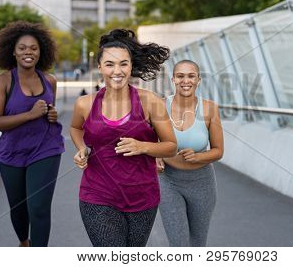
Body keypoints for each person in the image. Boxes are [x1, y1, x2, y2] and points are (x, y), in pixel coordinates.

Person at [70, 29, 177, 247]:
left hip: (142, 197)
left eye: (123, 64)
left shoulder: (150, 101)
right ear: (99, 67)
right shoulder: (85, 104)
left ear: (131, 67)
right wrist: (82, 148)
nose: (116, 71)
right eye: (109, 64)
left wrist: (143, 146)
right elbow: (75, 128)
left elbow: (171, 147)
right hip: (97, 195)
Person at [0, 21, 65, 247]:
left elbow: (49, 111)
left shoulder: (49, 80)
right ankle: (24, 242)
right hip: (13, 152)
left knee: (39, 207)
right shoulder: (2, 82)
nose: (28, 52)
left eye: (33, 48)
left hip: (46, 149)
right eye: (22, 48)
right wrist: (30, 115)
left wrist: (52, 114)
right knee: (18, 209)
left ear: (41, 52)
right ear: (13, 51)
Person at [157, 59, 224, 247]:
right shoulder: (160, 106)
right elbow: (150, 140)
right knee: (178, 244)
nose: (185, 81)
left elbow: (218, 151)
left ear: (198, 80)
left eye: (191, 76)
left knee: (197, 244)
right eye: (180, 76)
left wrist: (198, 157)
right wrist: (156, 156)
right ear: (173, 80)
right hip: (168, 181)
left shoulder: (210, 108)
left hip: (202, 182)